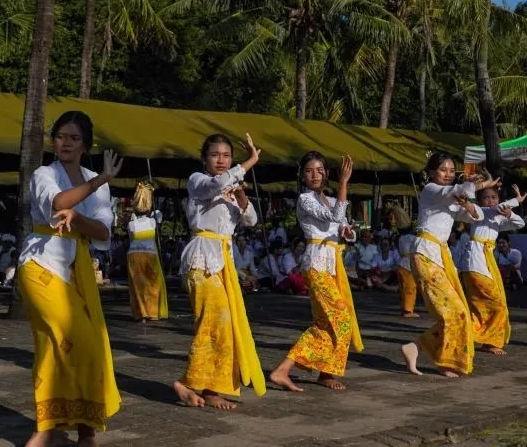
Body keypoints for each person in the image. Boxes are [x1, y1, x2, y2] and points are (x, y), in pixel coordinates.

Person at [17, 111, 122, 447]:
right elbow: (58, 203)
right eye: (61, 136)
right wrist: (99, 181)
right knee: (79, 341)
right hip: (40, 264)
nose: (66, 143)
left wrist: (77, 217)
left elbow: (103, 232)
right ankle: (51, 428)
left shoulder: (94, 179)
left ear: (85, 145)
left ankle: (78, 428)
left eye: (74, 138)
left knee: (58, 348)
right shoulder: (44, 174)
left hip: (77, 270)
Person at [172, 133, 266, 410]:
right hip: (202, 259)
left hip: (223, 261)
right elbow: (217, 184)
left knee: (224, 324)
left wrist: (240, 194)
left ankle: (211, 387)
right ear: (204, 159)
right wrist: (249, 162)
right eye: (215, 155)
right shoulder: (198, 181)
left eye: (226, 155)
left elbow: (251, 219)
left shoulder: (230, 188)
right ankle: (189, 383)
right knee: (214, 320)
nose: (221, 160)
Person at [270, 153, 362, 393]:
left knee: (327, 321)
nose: (315, 175)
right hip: (316, 263)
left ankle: (325, 372)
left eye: (320, 170)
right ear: (302, 175)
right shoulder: (305, 199)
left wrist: (348, 232)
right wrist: (344, 183)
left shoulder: (331, 200)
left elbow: (343, 226)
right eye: (309, 170)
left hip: (333, 263)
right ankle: (285, 369)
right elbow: (335, 216)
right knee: (341, 318)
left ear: (326, 173)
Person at [400, 154, 485, 378]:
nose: (448, 174)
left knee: (459, 313)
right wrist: (476, 185)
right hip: (425, 254)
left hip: (439, 256)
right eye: (443, 170)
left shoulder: (451, 198)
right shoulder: (431, 190)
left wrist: (468, 202)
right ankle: (444, 361)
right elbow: (453, 191)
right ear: (431, 173)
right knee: (455, 312)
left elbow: (475, 217)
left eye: (451, 171)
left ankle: (416, 347)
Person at [457, 177, 525, 356]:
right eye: (486, 197)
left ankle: (483, 339)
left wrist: (510, 214)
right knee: (496, 303)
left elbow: (520, 223)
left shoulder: (497, 219)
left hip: (484, 262)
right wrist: (516, 201)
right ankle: (475, 336)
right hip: (475, 262)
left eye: (494, 197)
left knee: (480, 304)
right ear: (479, 201)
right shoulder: (479, 212)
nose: (491, 201)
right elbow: (495, 209)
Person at [126, 181, 168, 322]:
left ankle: (141, 313)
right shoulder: (153, 221)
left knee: (137, 285)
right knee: (153, 284)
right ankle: (152, 312)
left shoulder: (131, 224)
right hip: (149, 255)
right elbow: (158, 213)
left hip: (134, 255)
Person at [391, 206, 421, 318]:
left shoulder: (400, 238)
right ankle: (408, 310)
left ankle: (404, 308)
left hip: (402, 263)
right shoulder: (412, 238)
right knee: (410, 288)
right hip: (409, 265)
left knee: (404, 288)